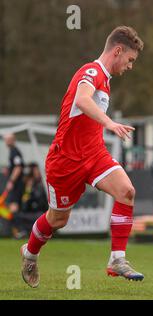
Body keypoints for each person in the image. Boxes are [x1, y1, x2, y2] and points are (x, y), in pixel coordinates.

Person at [20, 26, 145, 288]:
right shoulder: (91, 71)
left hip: (94, 154)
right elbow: (82, 100)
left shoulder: (106, 81)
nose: (131, 66)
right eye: (130, 60)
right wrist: (110, 123)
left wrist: (104, 129)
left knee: (127, 191)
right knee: (58, 219)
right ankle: (30, 254)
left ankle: (117, 259)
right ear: (118, 51)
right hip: (65, 160)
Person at [11, 163, 48, 239]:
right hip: (27, 212)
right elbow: (23, 202)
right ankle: (22, 232)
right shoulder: (25, 185)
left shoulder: (41, 184)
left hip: (39, 212)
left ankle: (40, 234)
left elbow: (42, 202)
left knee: (41, 217)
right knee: (16, 215)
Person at [2, 133, 25, 218]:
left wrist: (11, 181)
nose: (6, 142)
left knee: (14, 205)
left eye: (8, 140)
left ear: (13, 140)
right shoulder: (13, 151)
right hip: (16, 183)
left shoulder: (14, 151)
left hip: (17, 183)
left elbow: (18, 168)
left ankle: (18, 228)